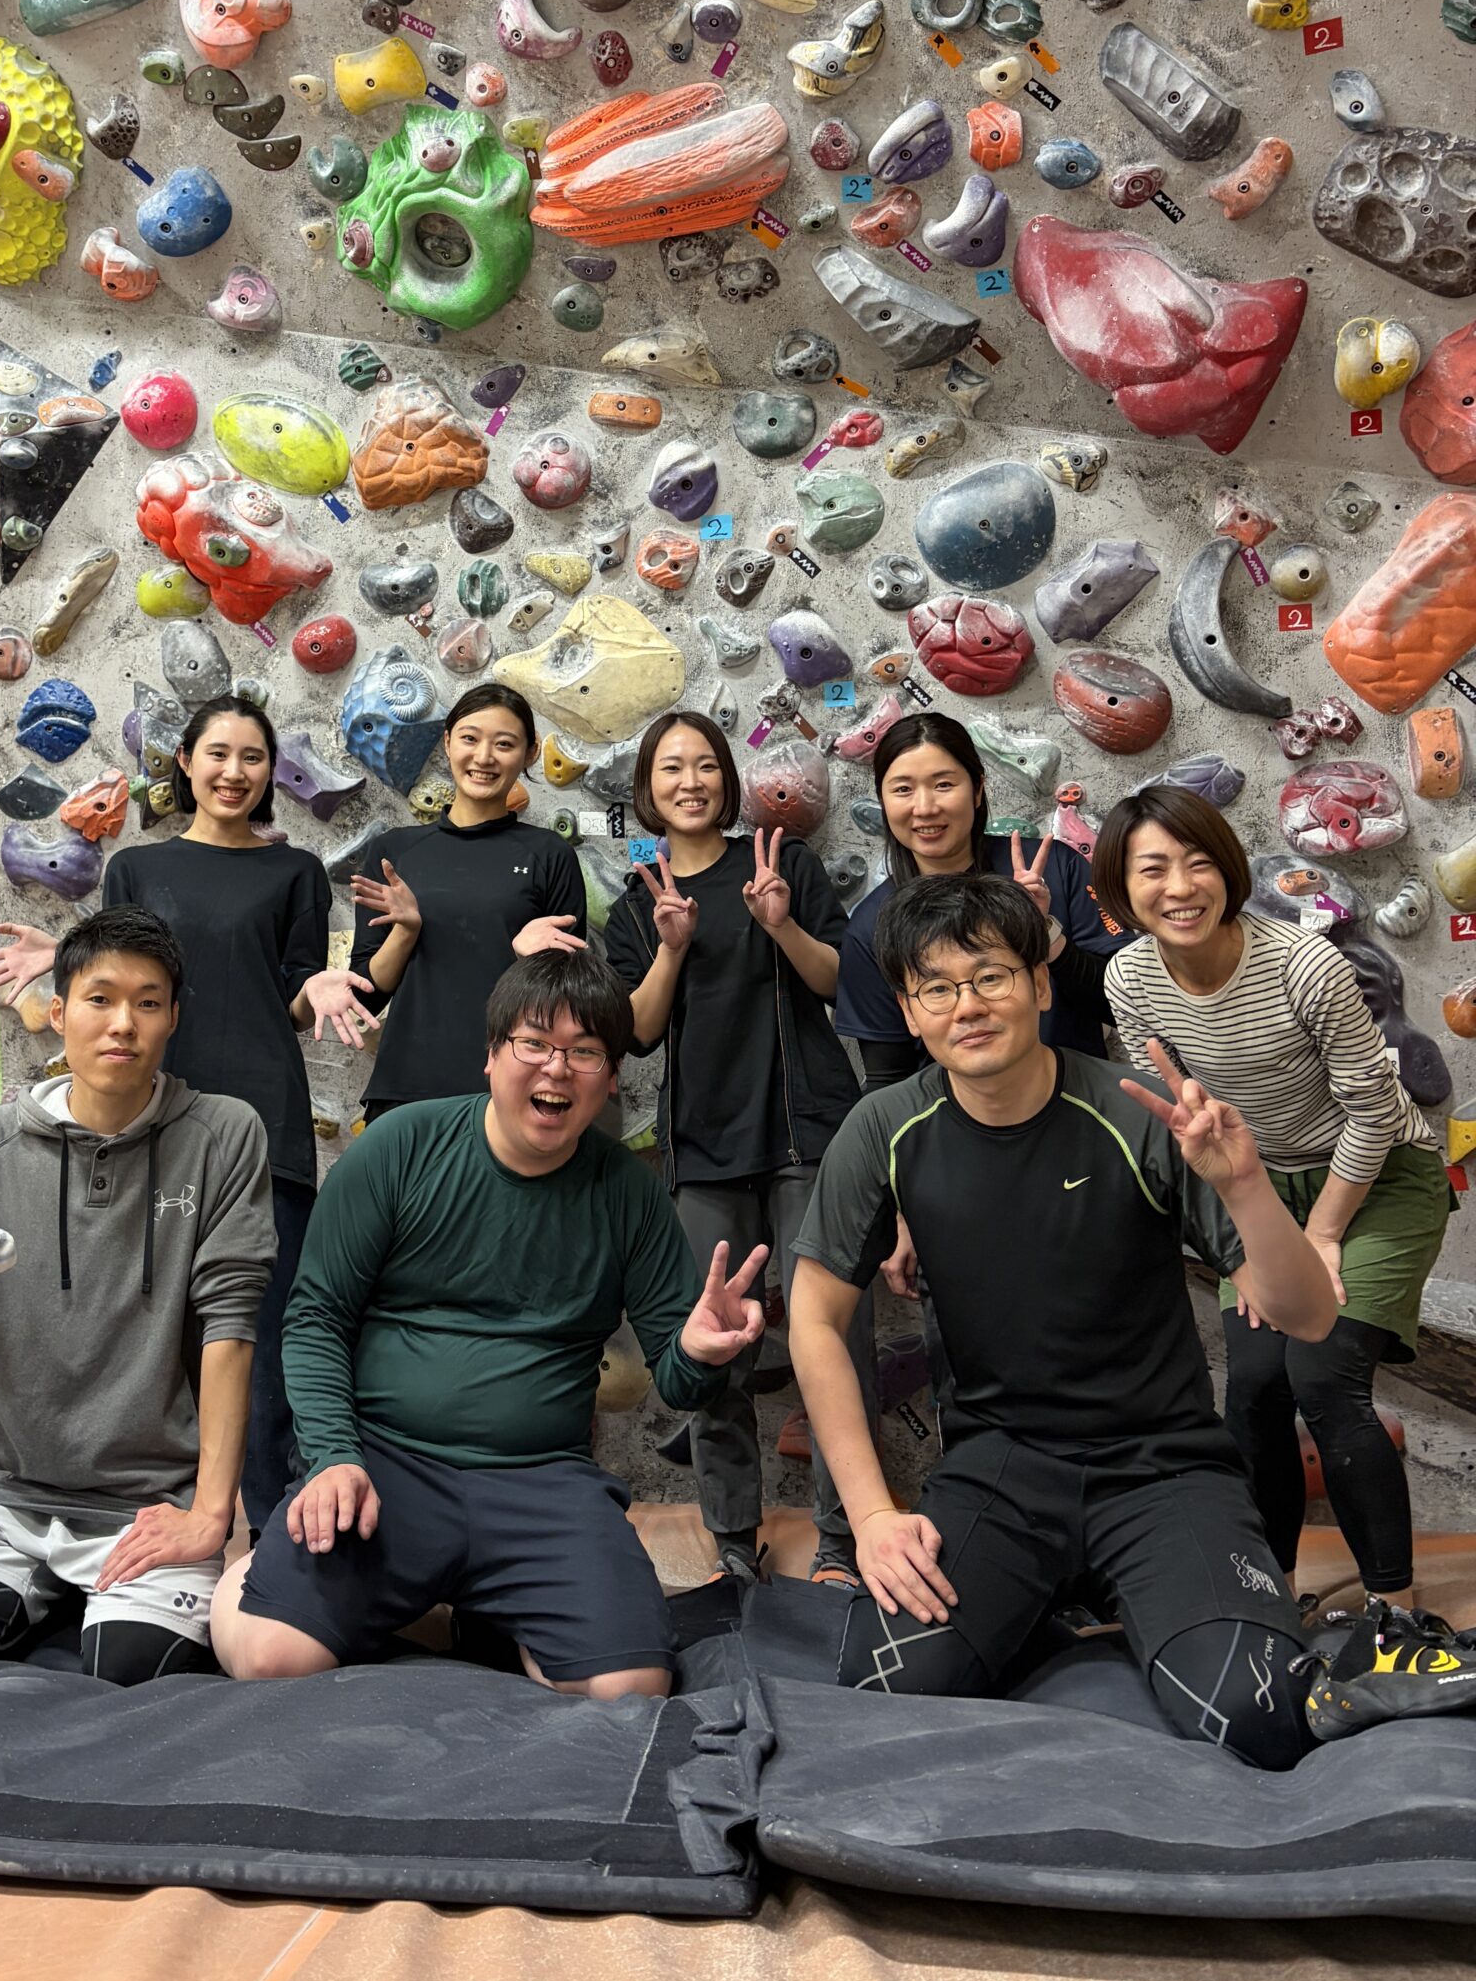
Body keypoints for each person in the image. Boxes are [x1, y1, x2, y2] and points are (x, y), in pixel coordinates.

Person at [789, 875, 1337, 1769]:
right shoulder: (884, 1127)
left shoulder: (1138, 1109)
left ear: (1041, 985)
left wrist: (1246, 1187)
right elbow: (814, 1318)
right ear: (911, 1013)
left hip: (1162, 1467)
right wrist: (873, 1516)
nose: (968, 1006)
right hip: (1000, 1469)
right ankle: (1035, 1609)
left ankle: (1121, 1608)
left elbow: (1307, 1316)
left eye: (991, 977)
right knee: (888, 1690)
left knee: (1256, 1715)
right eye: (938, 988)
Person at [209, 953, 767, 1699]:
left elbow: (679, 1380)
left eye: (585, 1052)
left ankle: (495, 1612)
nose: (556, 1069)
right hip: (386, 1465)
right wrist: (334, 1457)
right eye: (533, 1043)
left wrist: (700, 1352)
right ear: (492, 1054)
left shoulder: (628, 1193)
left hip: (543, 1484)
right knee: (268, 1656)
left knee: (631, 1688)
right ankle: (268, 1571)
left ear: (609, 1077)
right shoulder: (399, 1148)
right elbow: (315, 1320)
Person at [0, 695, 373, 1537]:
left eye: (253, 757)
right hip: (152, 1123)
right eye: (217, 753)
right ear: (184, 762)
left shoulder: (295, 872)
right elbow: (124, 978)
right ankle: (145, 1518)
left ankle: (271, 1534)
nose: (234, 772)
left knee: (259, 1337)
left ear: (271, 773)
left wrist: (319, 985)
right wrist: (66, 955)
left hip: (262, 1123)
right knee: (144, 1330)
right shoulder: (137, 869)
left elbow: (292, 999)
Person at [0, 906, 274, 1684]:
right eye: (100, 999)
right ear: (59, 1011)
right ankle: (42, 1588)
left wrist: (209, 1516)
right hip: (14, 1495)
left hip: (154, 1501)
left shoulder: (224, 1133)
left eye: (148, 1002)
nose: (123, 1023)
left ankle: (108, 1601)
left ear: (173, 1018)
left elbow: (231, 1331)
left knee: (132, 1672)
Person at [1093, 785, 1451, 1610]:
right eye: (1152, 870)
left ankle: (1396, 1614)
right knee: (1255, 1387)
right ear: (1119, 888)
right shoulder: (1130, 979)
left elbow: (1374, 1111)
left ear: (1228, 870)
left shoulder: (1305, 965)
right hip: (1255, 1187)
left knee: (1322, 1375)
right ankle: (1271, 1597)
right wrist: (1241, 1238)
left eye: (1197, 863)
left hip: (1379, 1175)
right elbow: (1190, 1127)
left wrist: (1321, 1235)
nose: (1179, 887)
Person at [603, 708, 865, 1589]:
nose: (691, 781)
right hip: (703, 1144)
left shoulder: (782, 861)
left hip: (806, 1131)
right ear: (648, 790)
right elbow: (637, 1033)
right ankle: (731, 1541)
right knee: (716, 1348)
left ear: (729, 779)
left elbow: (840, 984)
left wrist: (781, 924)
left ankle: (843, 1537)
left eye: (706, 765)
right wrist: (671, 948)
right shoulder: (638, 898)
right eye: (671, 768)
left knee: (833, 1343)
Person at [834, 714, 1124, 1092]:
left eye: (943, 784)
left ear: (977, 789)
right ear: (883, 802)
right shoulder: (871, 925)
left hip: (1080, 1103)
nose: (925, 807)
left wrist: (1046, 934)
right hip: (958, 1120)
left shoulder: (1056, 867)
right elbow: (889, 1079)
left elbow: (1124, 1005)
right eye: (903, 789)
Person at [346, 685, 587, 1116]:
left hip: (510, 1091)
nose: (484, 757)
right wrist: (405, 932)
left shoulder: (551, 855)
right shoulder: (394, 853)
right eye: (470, 738)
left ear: (530, 753)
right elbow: (365, 998)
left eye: (504, 744)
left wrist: (530, 961)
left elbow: (572, 1002)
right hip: (405, 1091)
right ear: (447, 742)